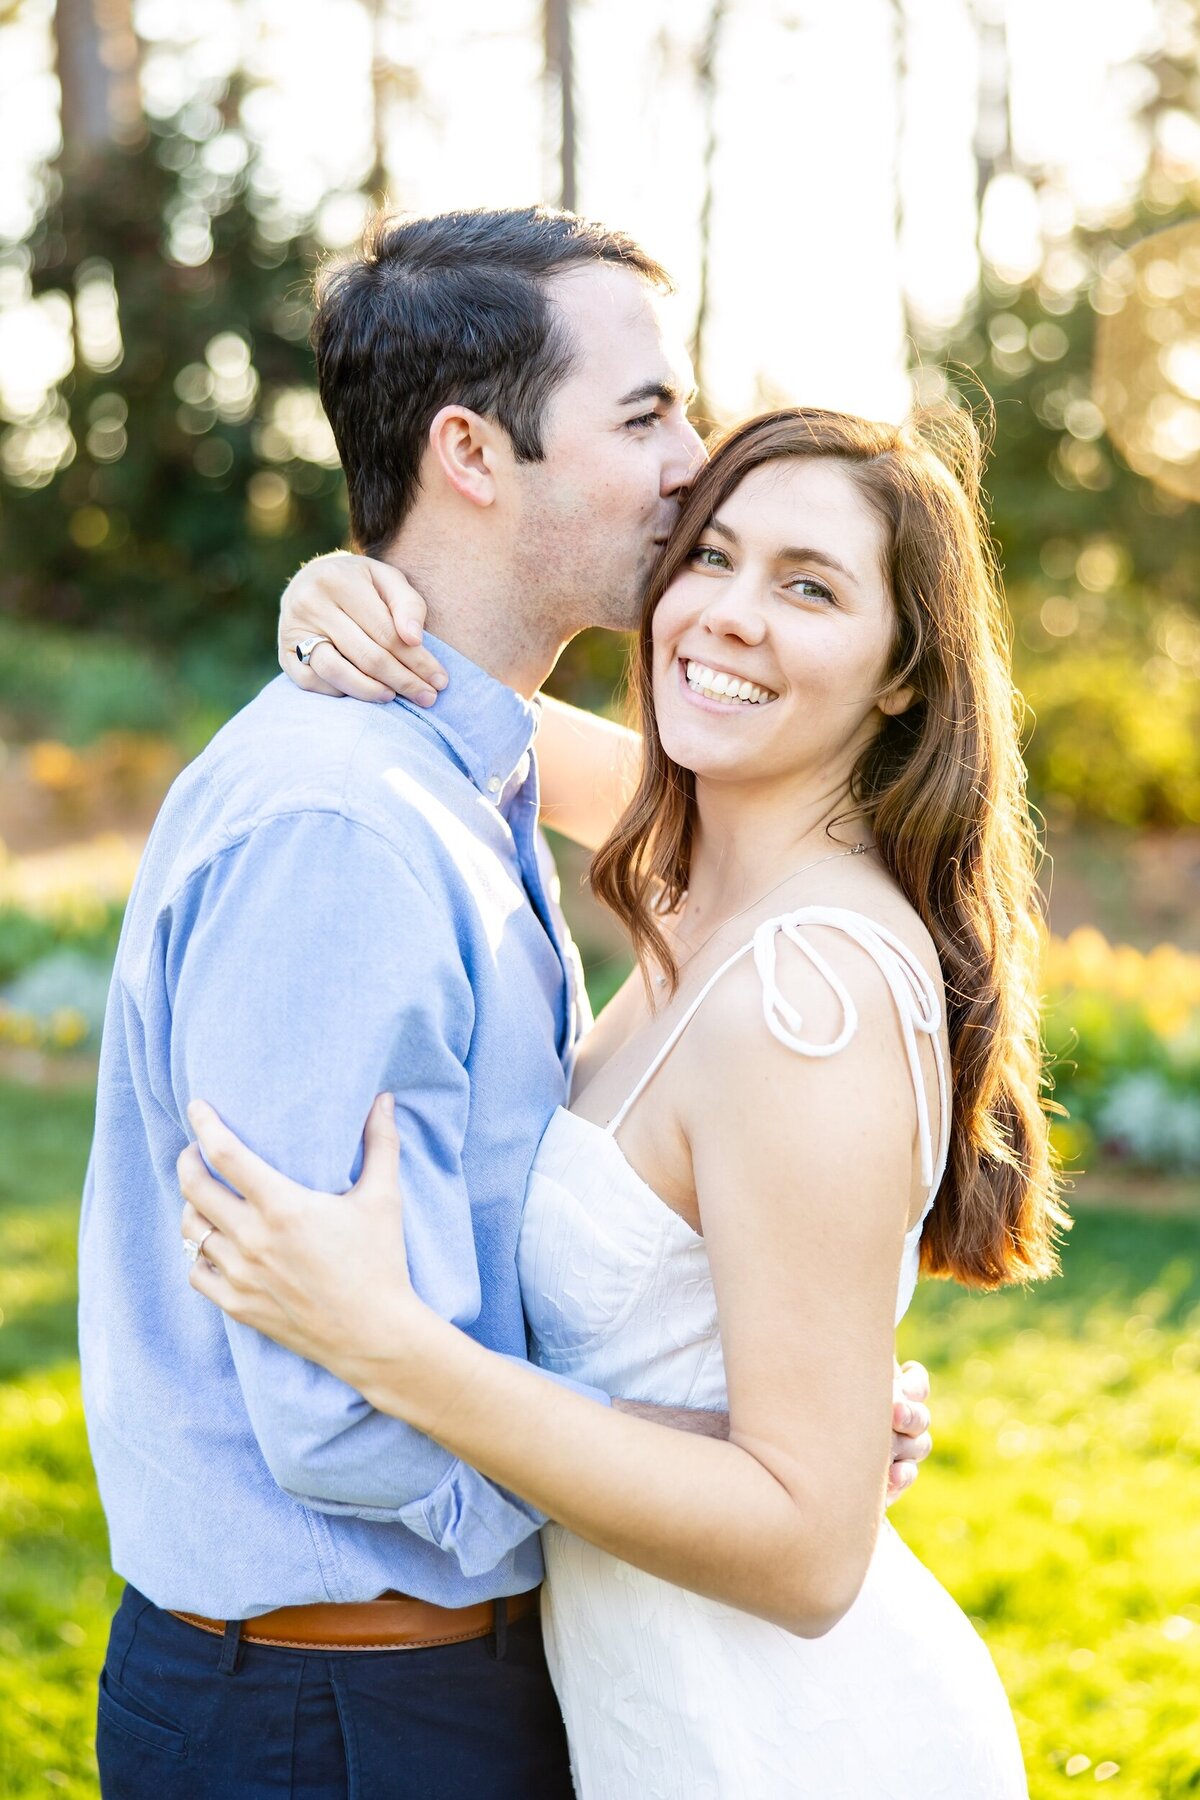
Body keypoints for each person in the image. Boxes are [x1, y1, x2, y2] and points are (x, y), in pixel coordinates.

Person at [79, 207, 932, 1800]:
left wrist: (774, 1453)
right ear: (472, 453)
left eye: (808, 584)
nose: (695, 461)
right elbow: (336, 1414)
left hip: (450, 1695)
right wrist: (724, 1465)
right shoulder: (350, 829)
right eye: (647, 413)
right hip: (333, 1720)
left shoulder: (488, 782)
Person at [178, 403, 1067, 1797]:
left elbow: (810, 1548)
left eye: (810, 586)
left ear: (904, 673)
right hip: (650, 1720)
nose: (727, 616)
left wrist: (389, 1346)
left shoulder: (801, 996)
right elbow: (464, 700)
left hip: (784, 1747)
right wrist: (341, 595)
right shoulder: (699, 877)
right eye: (709, 555)